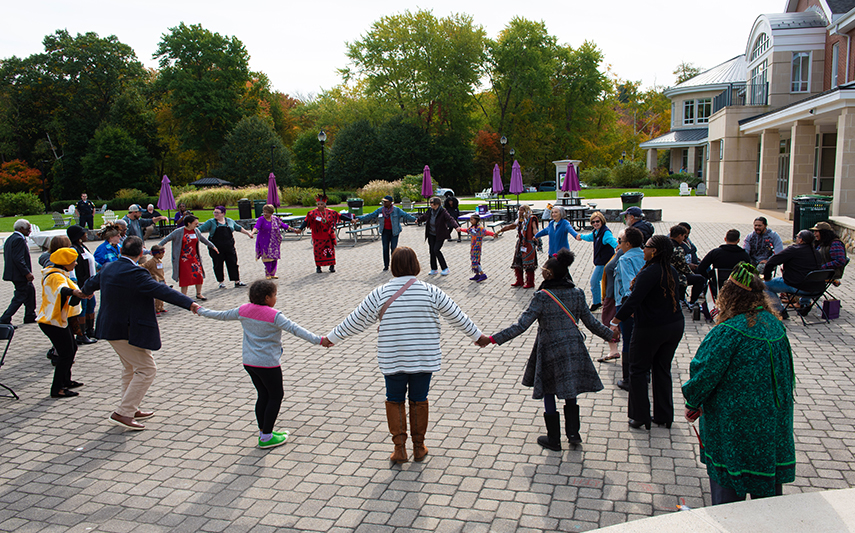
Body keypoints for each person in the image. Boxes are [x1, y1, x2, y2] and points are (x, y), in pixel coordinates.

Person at [322, 247, 487, 464]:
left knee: (394, 399)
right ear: (416, 265)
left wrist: (332, 338)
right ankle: (419, 447)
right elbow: (457, 316)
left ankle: (399, 449)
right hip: (423, 358)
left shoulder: (380, 293)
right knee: (419, 400)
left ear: (393, 266)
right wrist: (478, 336)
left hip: (393, 358)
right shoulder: (431, 291)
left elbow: (356, 320)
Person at [479, 249, 617, 450]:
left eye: (544, 269)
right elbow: (590, 323)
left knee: (549, 390)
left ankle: (553, 439)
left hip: (550, 347)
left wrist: (491, 339)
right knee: (570, 390)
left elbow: (521, 326)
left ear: (549, 274)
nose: (542, 270)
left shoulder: (542, 296)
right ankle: (573, 433)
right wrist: (610, 334)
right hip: (573, 346)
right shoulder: (577, 293)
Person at [682, 262, 794, 505]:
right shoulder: (775, 325)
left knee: (728, 493)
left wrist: (692, 401)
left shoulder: (730, 331)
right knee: (767, 497)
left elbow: (705, 370)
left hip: (735, 421)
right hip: (771, 420)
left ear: (730, 294)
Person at [82, 236, 200, 430]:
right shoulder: (136, 272)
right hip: (125, 328)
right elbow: (161, 290)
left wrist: (84, 291)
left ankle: (130, 406)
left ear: (121, 251)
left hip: (110, 327)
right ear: (140, 253)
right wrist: (190, 304)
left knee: (130, 368)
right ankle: (123, 412)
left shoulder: (109, 267)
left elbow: (90, 284)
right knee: (147, 369)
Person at [196, 280, 324, 449]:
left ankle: (264, 431)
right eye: (275, 295)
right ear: (266, 297)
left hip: (249, 362)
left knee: (263, 394)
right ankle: (266, 437)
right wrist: (320, 340)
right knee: (275, 396)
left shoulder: (243, 310)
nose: (276, 298)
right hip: (268, 364)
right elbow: (296, 329)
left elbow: (220, 315)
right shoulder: (274, 315)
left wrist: (199, 309)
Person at [611, 235, 685, 430]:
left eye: (647, 247)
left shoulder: (650, 272)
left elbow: (633, 301)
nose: (643, 249)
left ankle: (640, 416)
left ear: (655, 251)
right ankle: (664, 415)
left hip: (651, 328)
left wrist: (615, 321)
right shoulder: (671, 271)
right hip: (674, 325)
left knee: (638, 370)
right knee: (662, 369)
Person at [37, 248, 91, 398]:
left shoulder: (59, 273)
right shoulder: (54, 276)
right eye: (73, 261)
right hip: (51, 321)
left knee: (71, 348)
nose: (76, 263)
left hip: (59, 319)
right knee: (65, 354)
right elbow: (62, 289)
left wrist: (81, 293)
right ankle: (57, 389)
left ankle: (66, 380)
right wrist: (75, 293)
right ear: (65, 263)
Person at [613, 227, 646, 391]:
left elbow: (628, 286)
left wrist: (628, 308)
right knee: (642, 338)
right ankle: (644, 373)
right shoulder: (646, 256)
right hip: (646, 304)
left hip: (628, 304)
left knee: (628, 340)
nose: (619, 244)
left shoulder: (625, 259)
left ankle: (628, 377)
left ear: (628, 243)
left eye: (620, 241)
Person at [763, 229, 823, 317]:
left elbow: (771, 262)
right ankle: (804, 304)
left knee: (765, 285)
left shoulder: (794, 250)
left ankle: (779, 311)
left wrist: (767, 277)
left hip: (799, 287)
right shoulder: (816, 253)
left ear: (801, 240)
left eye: (797, 237)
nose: (796, 239)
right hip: (817, 289)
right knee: (807, 279)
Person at [158, 215, 218, 301]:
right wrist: (157, 248)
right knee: (185, 277)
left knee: (199, 275)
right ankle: (184, 296)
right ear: (189, 223)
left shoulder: (196, 231)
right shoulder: (178, 232)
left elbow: (203, 239)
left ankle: (199, 293)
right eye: (195, 223)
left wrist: (213, 246)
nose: (197, 225)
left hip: (194, 258)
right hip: (183, 259)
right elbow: (166, 239)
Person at [356, 195, 417, 271]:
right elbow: (371, 215)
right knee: (385, 248)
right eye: (383, 201)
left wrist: (416, 219)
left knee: (393, 249)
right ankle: (386, 265)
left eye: (386, 202)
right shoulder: (380, 210)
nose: (384, 203)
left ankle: (394, 265)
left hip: (394, 232)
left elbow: (406, 215)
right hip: (385, 231)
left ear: (390, 202)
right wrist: (359, 218)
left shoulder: (396, 210)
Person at [198, 206, 253, 288]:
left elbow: (238, 228)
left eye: (217, 212)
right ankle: (221, 282)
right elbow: (199, 230)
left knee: (233, 263)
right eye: (214, 212)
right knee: (218, 264)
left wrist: (248, 233)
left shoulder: (229, 221)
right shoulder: (211, 222)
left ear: (223, 213)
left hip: (229, 246)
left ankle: (237, 280)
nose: (215, 214)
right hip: (216, 247)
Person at [576, 211, 617, 312]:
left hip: (604, 262)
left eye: (597, 221)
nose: (595, 224)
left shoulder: (605, 232)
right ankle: (604, 302)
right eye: (593, 222)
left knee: (594, 281)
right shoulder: (596, 232)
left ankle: (597, 302)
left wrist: (619, 247)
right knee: (606, 282)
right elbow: (590, 237)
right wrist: (581, 237)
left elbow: (613, 241)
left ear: (602, 221)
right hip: (601, 261)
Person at [0, 219, 37, 326]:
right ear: (21, 229)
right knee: (20, 296)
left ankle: (30, 315)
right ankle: (4, 318)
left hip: (14, 273)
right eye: (28, 229)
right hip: (19, 274)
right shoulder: (18, 240)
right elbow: (18, 258)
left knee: (30, 291)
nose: (30, 231)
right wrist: (27, 273)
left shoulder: (11, 238)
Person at [697, 229, 751, 299]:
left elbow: (701, 268)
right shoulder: (744, 255)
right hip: (737, 288)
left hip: (718, 286)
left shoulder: (715, 253)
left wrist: (710, 277)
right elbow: (749, 272)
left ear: (725, 239)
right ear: (738, 240)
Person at [68, 225, 99, 345]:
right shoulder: (73, 249)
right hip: (82, 284)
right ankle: (81, 334)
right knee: (82, 308)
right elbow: (73, 269)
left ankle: (90, 329)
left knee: (91, 306)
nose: (86, 235)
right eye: (84, 234)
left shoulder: (83, 247)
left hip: (89, 283)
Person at [415, 196, 462, 276]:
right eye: (430, 203)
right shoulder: (430, 210)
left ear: (437, 204)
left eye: (432, 203)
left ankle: (445, 268)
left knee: (436, 250)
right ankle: (434, 269)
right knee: (432, 252)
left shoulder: (443, 211)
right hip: (431, 234)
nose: (431, 205)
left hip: (440, 234)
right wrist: (418, 219)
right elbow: (425, 216)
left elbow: (450, 219)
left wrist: (456, 226)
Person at [298, 194, 344, 274]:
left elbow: (340, 216)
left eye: (321, 204)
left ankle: (332, 266)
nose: (319, 206)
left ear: (324, 205)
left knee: (330, 251)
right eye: (318, 204)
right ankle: (318, 267)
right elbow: (306, 221)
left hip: (328, 236)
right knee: (317, 251)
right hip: (317, 236)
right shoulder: (312, 213)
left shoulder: (331, 212)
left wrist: (351, 219)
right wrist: (300, 228)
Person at [497, 205, 541, 289]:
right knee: (517, 262)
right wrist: (500, 231)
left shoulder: (532, 219)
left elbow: (535, 228)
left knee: (529, 264)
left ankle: (530, 282)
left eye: (522, 210)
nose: (520, 212)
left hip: (528, 244)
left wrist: (537, 235)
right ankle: (519, 281)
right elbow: (511, 226)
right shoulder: (520, 221)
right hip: (520, 243)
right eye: (519, 210)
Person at [597, 229, 624, 362]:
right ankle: (614, 350)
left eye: (619, 240)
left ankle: (617, 350)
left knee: (610, 322)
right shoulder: (618, 253)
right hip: (611, 294)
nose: (617, 243)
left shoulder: (624, 256)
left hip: (616, 296)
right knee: (609, 322)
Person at [252, 204, 293, 279]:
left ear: (271, 213)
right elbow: (256, 227)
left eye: (267, 212)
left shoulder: (275, 219)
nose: (265, 214)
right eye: (264, 212)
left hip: (274, 242)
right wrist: (252, 233)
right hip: (264, 241)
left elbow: (283, 225)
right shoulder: (261, 219)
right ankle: (267, 273)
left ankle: (272, 273)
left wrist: (293, 229)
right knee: (267, 258)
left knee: (274, 258)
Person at [670, 224, 706, 306]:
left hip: (662, 274)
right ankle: (692, 302)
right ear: (679, 236)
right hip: (674, 276)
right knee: (699, 278)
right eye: (684, 236)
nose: (684, 239)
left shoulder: (663, 245)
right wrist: (691, 269)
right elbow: (684, 268)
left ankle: (681, 298)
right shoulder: (678, 249)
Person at [141, 245, 167, 315]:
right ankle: (156, 309)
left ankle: (161, 307)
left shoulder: (159, 261)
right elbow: (143, 266)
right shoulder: (151, 261)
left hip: (161, 280)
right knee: (157, 296)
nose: (163, 256)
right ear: (157, 254)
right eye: (162, 254)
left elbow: (161, 272)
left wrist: (164, 279)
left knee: (162, 295)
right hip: (156, 280)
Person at [467, 214, 487, 282]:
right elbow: (467, 230)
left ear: (476, 220)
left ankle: (482, 274)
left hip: (477, 246)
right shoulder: (472, 228)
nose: (470, 221)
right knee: (473, 259)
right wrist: (459, 229)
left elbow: (486, 232)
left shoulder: (480, 228)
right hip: (473, 246)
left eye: (472, 220)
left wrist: (493, 234)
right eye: (470, 220)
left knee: (475, 260)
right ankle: (477, 274)